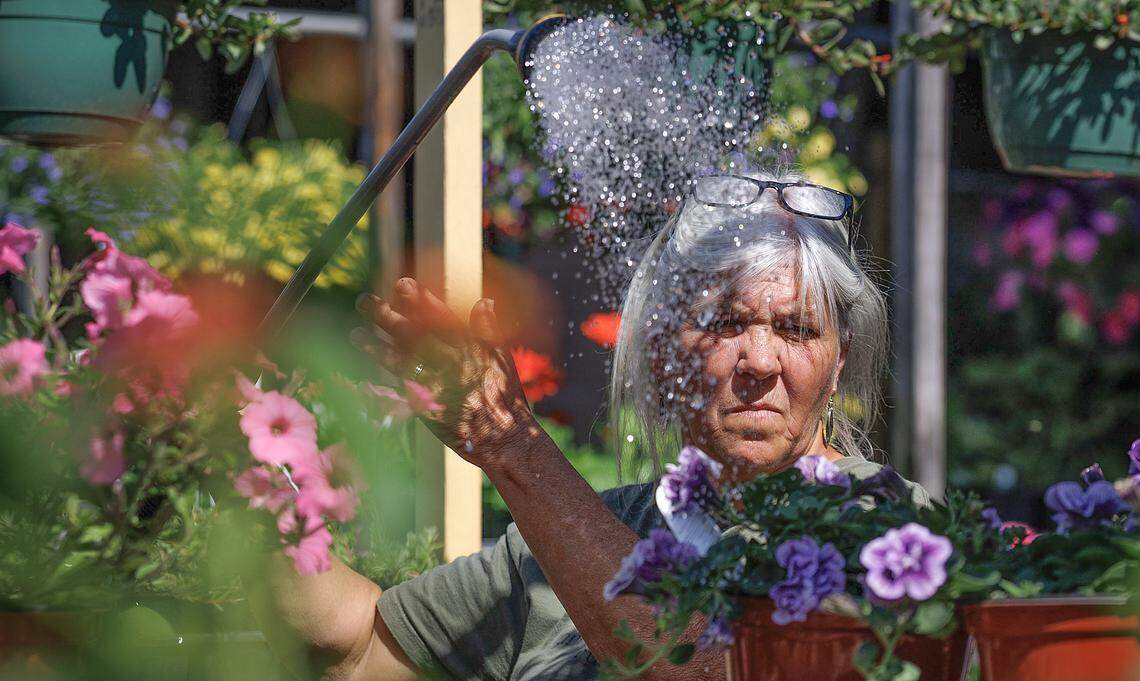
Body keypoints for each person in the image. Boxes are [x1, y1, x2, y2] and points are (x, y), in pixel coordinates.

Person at [253, 171, 928, 680]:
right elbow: (359, 644)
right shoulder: (576, 535)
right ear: (665, 349)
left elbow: (701, 667)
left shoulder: (893, 530)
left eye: (797, 328)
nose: (759, 359)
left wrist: (512, 447)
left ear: (838, 363)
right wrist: (234, 459)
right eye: (725, 322)